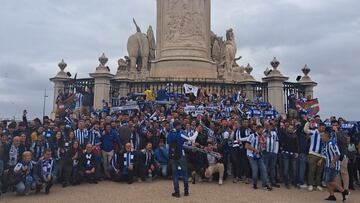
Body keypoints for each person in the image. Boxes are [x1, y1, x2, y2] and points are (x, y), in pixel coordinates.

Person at [320, 132, 349, 201]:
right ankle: (332, 195)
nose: (321, 137)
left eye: (322, 136)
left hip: (333, 166)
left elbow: (337, 154)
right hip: (328, 165)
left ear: (327, 136)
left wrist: (333, 162)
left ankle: (344, 191)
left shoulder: (331, 144)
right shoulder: (326, 144)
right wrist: (321, 160)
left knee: (330, 180)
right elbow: (325, 154)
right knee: (326, 181)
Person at [245, 125, 272, 191]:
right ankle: (254, 183)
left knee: (263, 169)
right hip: (251, 155)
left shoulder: (262, 136)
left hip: (259, 155)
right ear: (257, 130)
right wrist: (255, 149)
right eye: (260, 130)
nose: (261, 131)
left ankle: (265, 184)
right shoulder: (252, 136)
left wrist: (262, 148)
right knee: (255, 170)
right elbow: (246, 146)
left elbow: (263, 145)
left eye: (262, 130)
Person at [167, 120, 189, 198]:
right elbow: (187, 139)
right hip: (181, 154)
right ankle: (186, 191)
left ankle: (177, 192)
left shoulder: (170, 133)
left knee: (175, 174)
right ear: (178, 125)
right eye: (179, 125)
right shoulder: (182, 133)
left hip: (173, 156)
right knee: (185, 173)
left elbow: (168, 142)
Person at [304, 121, 325, 191]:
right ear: (319, 127)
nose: (323, 129)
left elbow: (325, 147)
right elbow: (305, 130)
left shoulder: (325, 135)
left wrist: (322, 157)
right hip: (313, 153)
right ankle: (310, 184)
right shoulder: (313, 132)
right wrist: (308, 122)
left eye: (324, 128)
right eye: (322, 127)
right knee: (312, 170)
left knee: (319, 171)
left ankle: (318, 184)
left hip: (321, 155)